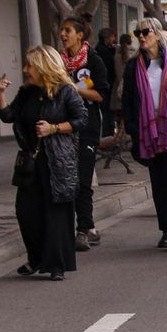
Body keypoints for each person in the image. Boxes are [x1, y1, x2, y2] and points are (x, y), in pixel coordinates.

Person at [0, 47, 84, 281]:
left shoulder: (66, 92)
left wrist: (54, 128)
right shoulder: (26, 93)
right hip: (31, 161)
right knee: (26, 212)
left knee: (56, 214)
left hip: (57, 161)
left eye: (30, 66)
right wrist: (1, 93)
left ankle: (56, 265)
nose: (26, 70)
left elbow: (80, 119)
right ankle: (35, 257)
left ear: (43, 67)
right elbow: (8, 116)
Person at [121, 17, 167, 251]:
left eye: (145, 32)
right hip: (148, 132)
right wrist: (132, 128)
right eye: (137, 32)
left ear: (157, 34)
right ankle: (166, 229)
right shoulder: (134, 67)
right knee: (159, 182)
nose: (141, 36)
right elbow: (128, 101)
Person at [59, 18, 109, 251]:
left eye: (67, 30)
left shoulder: (93, 60)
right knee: (65, 178)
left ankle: (84, 228)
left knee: (82, 177)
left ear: (80, 35)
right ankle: (67, 227)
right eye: (61, 30)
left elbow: (100, 95)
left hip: (86, 127)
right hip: (62, 126)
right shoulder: (58, 62)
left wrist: (75, 89)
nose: (63, 34)